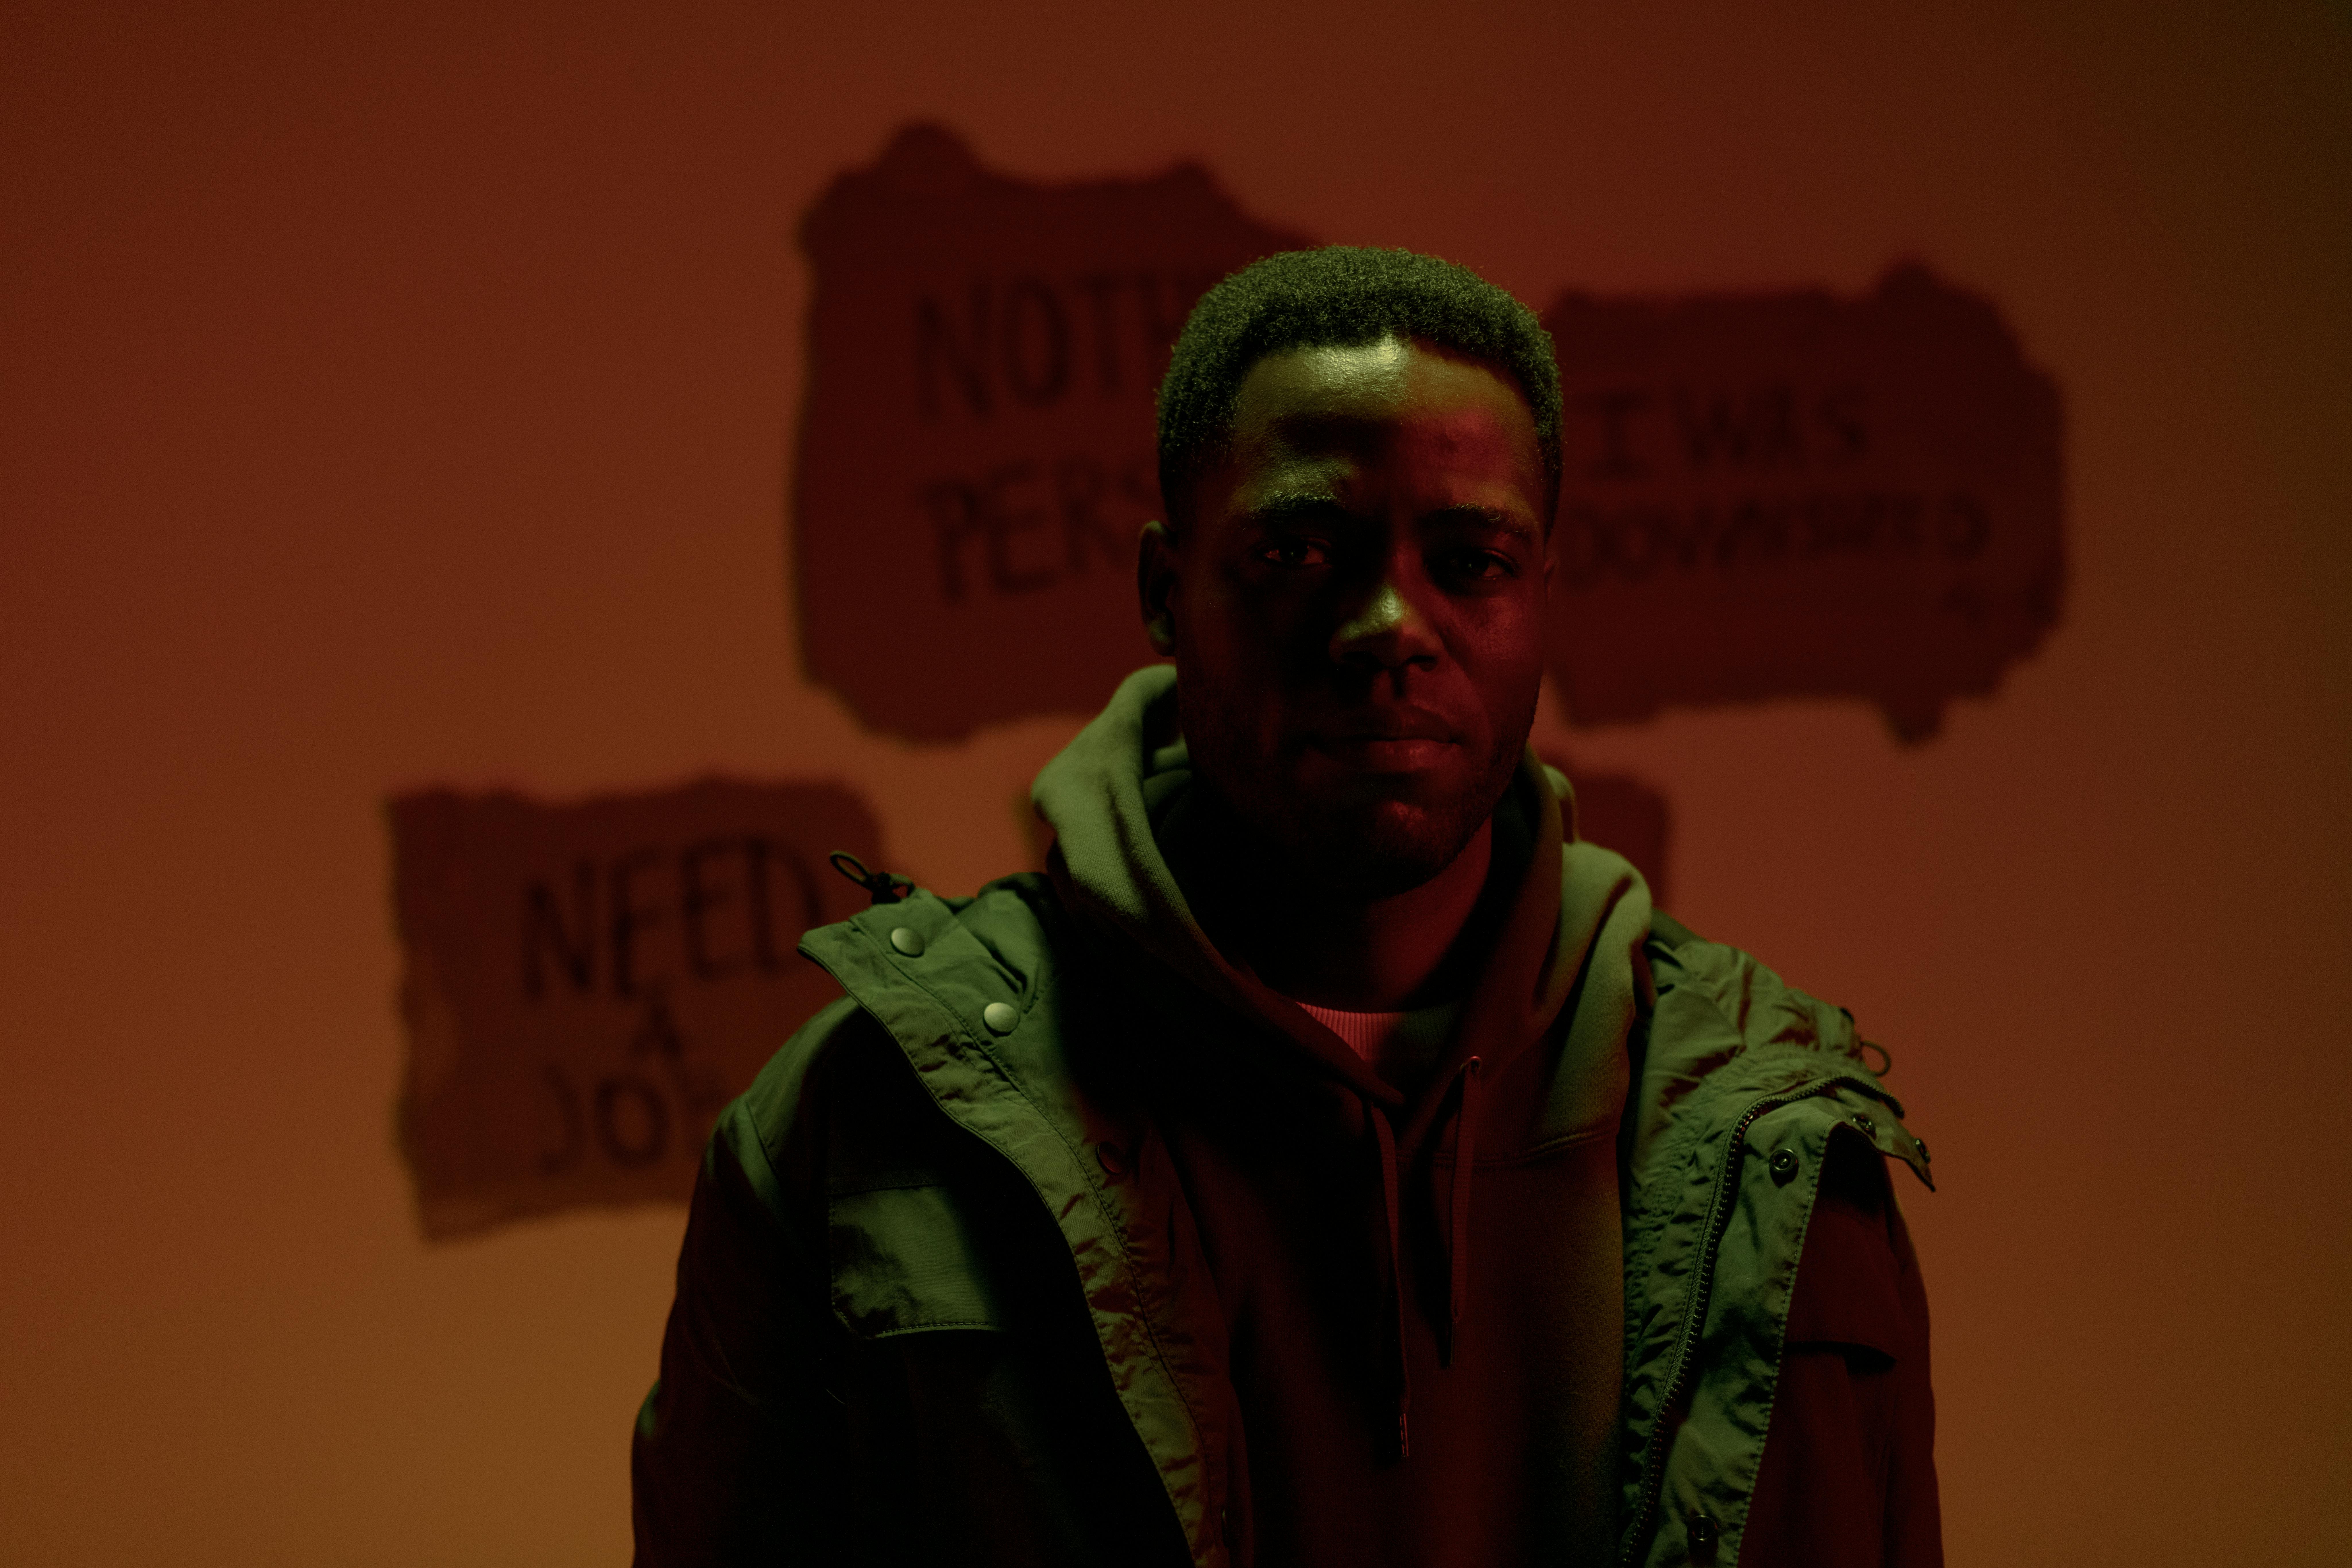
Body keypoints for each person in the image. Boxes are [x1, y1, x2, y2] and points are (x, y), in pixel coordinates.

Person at [631, 247, 1940, 1567]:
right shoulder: (867, 1122)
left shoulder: (1772, 1144)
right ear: (1162, 591)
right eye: (1297, 548)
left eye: (1469, 560)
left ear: (1541, 598)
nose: (1386, 623)